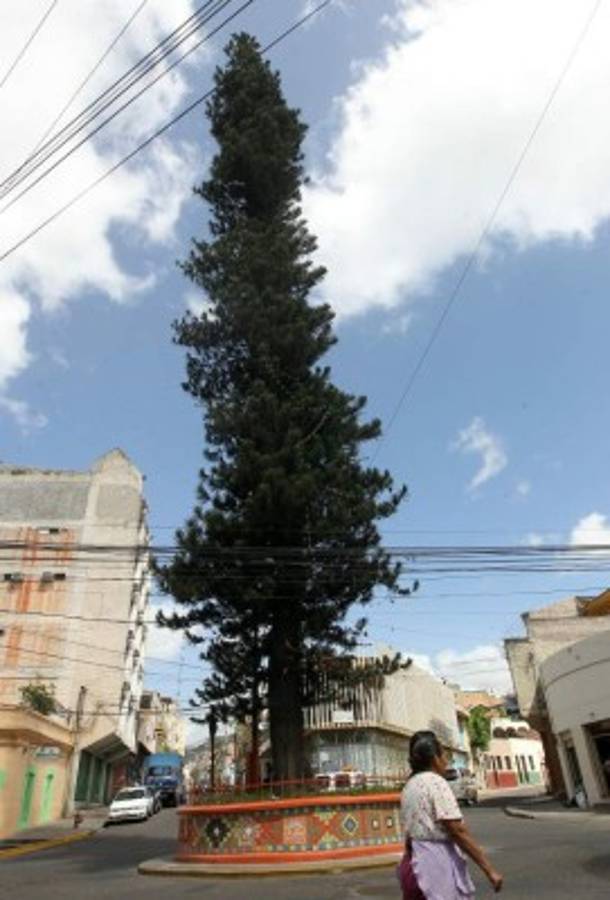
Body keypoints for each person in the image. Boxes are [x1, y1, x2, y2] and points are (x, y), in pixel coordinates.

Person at [399, 730, 503, 899]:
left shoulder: (409, 786)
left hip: (414, 865)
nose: (446, 762)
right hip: (437, 865)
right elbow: (457, 830)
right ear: (435, 758)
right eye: (444, 755)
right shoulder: (436, 783)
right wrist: (489, 869)